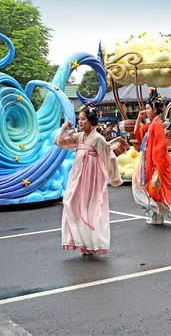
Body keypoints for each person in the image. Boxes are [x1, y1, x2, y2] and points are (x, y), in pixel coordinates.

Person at [54, 104, 123, 255]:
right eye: (79, 119)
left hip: (91, 180)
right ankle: (82, 241)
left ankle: (90, 244)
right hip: (77, 179)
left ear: (91, 121)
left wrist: (115, 178)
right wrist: (64, 128)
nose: (80, 122)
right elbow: (59, 142)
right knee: (70, 203)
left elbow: (108, 158)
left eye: (83, 119)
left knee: (89, 210)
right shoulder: (78, 137)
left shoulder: (97, 139)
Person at [132, 88, 171, 225]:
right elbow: (138, 132)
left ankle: (158, 217)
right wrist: (139, 118)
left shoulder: (157, 124)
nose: (146, 111)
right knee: (151, 188)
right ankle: (156, 217)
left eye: (148, 108)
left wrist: (157, 166)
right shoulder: (153, 123)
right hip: (149, 161)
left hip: (155, 162)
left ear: (155, 109)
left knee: (154, 189)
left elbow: (160, 147)